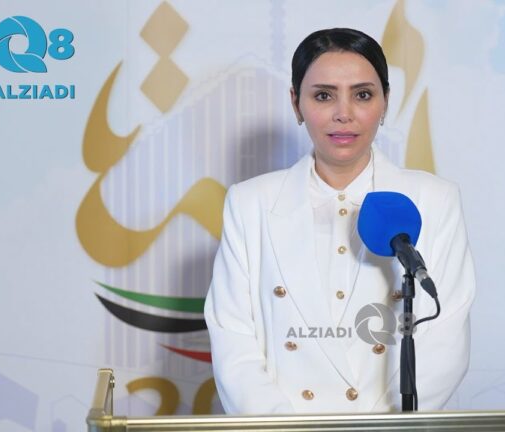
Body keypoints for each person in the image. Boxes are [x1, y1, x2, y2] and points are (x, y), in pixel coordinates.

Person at [204, 28, 475, 415]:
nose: (343, 114)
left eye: (362, 95)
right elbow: (233, 340)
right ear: (296, 104)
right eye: (323, 95)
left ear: (385, 102)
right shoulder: (250, 203)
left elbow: (444, 343)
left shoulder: (434, 200)